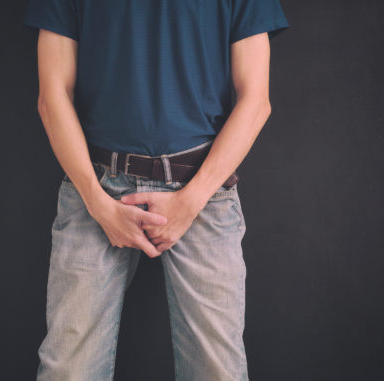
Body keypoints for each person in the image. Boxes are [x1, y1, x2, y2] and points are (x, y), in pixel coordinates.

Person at [22, 1, 289, 380]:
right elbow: (52, 97)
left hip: (203, 191)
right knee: (69, 369)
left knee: (218, 372)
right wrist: (99, 204)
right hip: (96, 187)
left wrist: (190, 201)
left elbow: (256, 101)